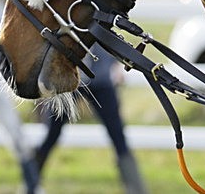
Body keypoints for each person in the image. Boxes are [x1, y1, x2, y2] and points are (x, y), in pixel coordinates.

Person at [33, 43, 148, 194]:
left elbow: (109, 35)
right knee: (51, 135)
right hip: (67, 80)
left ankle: (136, 190)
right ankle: (31, 184)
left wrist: (116, 63)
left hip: (100, 78)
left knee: (118, 136)